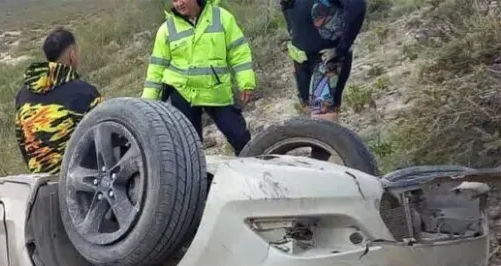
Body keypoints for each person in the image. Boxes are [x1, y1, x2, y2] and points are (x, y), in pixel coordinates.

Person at [141, 0, 256, 156]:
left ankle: (254, 170)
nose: (178, 4)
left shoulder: (222, 17)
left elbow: (239, 52)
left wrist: (246, 82)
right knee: (190, 148)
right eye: (174, 0)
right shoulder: (166, 29)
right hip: (182, 92)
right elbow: (156, 68)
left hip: (216, 90)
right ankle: (199, 179)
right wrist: (148, 104)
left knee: (240, 137)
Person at [14, 27, 102, 175]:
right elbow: (107, 137)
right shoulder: (85, 93)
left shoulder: (22, 96)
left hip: (40, 184)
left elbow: (22, 143)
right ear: (72, 56)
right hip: (79, 185)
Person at [281, 0, 367, 122]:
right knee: (309, 112)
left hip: (328, 59)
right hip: (301, 58)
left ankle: (336, 141)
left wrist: (342, 47)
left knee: (322, 117)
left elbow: (357, 5)